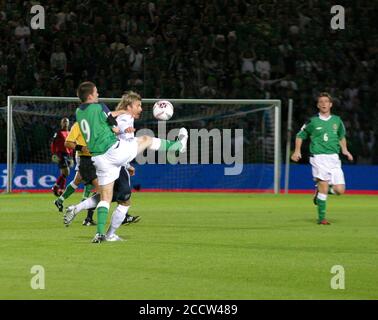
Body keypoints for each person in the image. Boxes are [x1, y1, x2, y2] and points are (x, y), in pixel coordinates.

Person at [75, 82, 188, 243]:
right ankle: (177, 147)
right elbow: (113, 126)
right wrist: (121, 125)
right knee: (146, 139)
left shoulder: (79, 112)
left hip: (98, 158)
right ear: (91, 95)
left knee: (105, 198)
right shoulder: (100, 107)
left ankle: (100, 234)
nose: (98, 94)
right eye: (97, 92)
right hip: (112, 151)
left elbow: (104, 122)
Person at [291, 92, 353, 225]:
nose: (324, 104)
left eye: (326, 101)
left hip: (334, 158)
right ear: (318, 105)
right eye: (321, 102)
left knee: (339, 190)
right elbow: (300, 135)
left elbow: (341, 136)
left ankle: (318, 191)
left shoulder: (337, 120)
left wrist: (345, 150)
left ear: (331, 104)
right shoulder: (312, 121)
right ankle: (322, 218)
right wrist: (297, 151)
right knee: (324, 186)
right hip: (318, 157)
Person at [53, 121, 97, 226]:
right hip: (83, 156)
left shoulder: (94, 123)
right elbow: (68, 143)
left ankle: (61, 200)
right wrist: (81, 148)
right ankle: (83, 212)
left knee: (79, 180)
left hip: (90, 155)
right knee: (90, 181)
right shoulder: (78, 125)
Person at [50, 117, 74, 196]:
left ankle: (59, 188)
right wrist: (54, 153)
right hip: (61, 154)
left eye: (66, 122)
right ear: (61, 123)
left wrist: (71, 156)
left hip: (67, 155)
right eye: (64, 122)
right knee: (66, 171)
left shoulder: (70, 132)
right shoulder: (58, 132)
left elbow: (71, 145)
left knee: (64, 173)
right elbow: (53, 143)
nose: (65, 123)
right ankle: (59, 187)